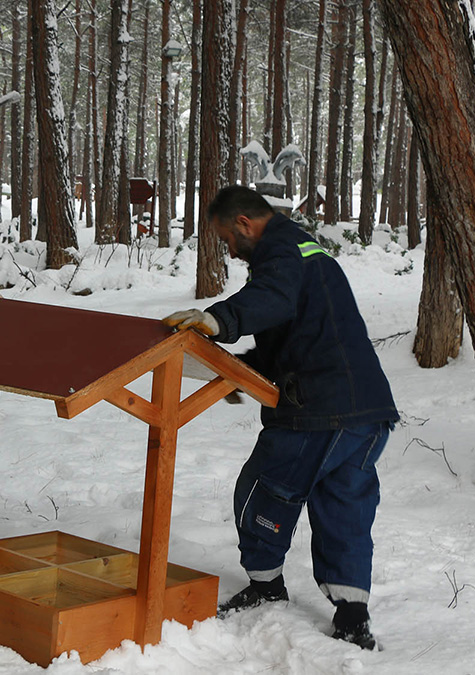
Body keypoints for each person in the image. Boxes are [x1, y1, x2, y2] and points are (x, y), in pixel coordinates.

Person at [163, 185, 397, 650]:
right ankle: (353, 616)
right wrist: (239, 375)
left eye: (228, 239)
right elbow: (287, 333)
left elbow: (271, 297)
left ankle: (266, 584)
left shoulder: (279, 251)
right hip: (367, 412)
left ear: (246, 224)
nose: (230, 250)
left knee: (263, 490)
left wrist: (217, 320)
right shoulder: (305, 254)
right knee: (343, 504)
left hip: (319, 412)